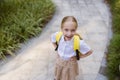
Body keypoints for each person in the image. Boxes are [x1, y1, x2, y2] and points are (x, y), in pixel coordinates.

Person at [51, 16, 93, 80]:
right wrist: (57, 48)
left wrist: (78, 56)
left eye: (73, 30)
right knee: (59, 73)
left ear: (76, 29)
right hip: (59, 61)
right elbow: (52, 40)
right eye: (66, 30)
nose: (69, 33)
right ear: (61, 29)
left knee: (68, 77)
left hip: (70, 64)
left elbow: (90, 51)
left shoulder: (78, 42)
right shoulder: (58, 35)